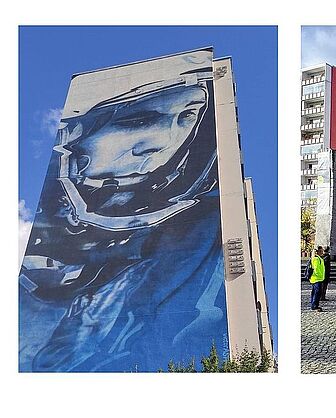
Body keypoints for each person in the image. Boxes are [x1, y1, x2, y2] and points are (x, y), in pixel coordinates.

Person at [18, 50, 230, 372]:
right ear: (72, 135)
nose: (165, 143)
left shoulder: (197, 231)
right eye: (137, 120)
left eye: (187, 116)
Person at [309, 246, 325, 311]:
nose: (322, 252)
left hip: (318, 278)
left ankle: (314, 305)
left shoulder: (319, 258)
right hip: (316, 278)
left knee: (315, 292)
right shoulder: (316, 259)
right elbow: (316, 269)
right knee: (317, 292)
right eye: (321, 251)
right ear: (317, 252)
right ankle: (315, 306)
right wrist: (319, 275)